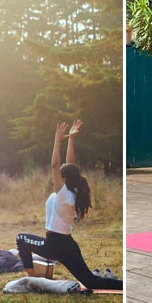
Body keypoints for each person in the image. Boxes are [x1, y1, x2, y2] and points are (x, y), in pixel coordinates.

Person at [15, 120, 122, 291]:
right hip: (68, 245)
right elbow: (69, 164)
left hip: (54, 246)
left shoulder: (64, 195)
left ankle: (33, 281)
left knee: (21, 238)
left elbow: (54, 165)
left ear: (64, 178)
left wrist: (57, 140)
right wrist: (71, 139)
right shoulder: (74, 191)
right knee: (92, 282)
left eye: (62, 173)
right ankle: (126, 286)